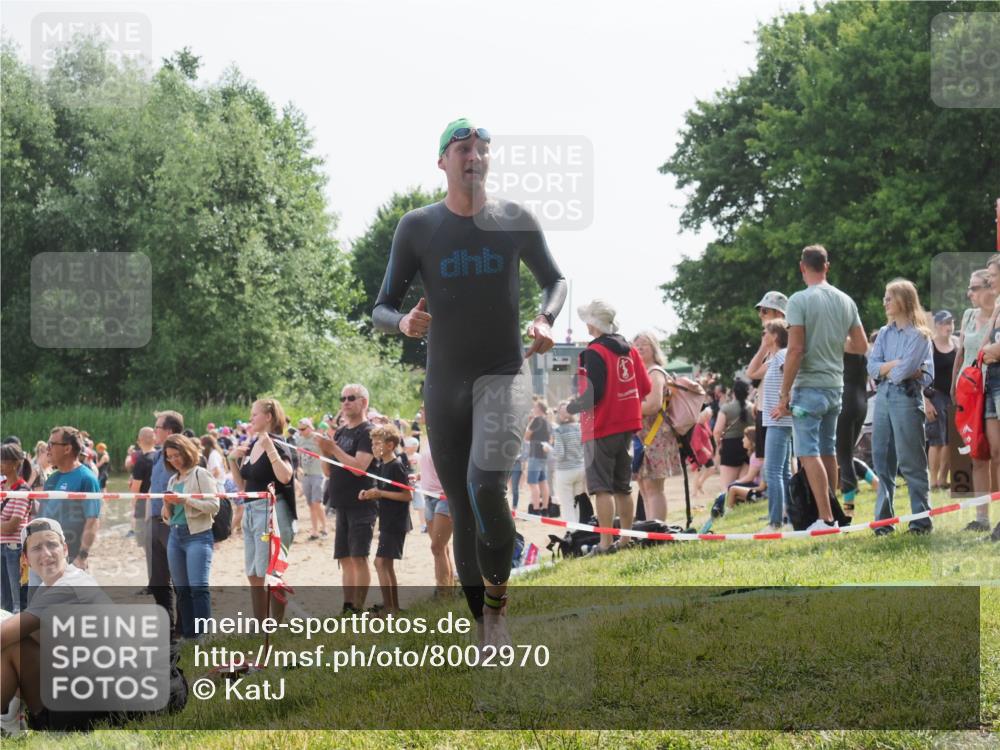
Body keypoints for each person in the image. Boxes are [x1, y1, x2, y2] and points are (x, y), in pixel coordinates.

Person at [372, 118, 566, 642]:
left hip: (504, 374)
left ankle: (499, 608)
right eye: (462, 148)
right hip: (445, 385)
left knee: (486, 487)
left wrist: (545, 320)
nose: (473, 155)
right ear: (443, 161)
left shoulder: (513, 219)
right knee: (460, 505)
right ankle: (482, 623)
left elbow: (555, 280)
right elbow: (382, 307)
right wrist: (404, 323)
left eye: (481, 148)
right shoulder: (417, 227)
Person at [772, 245, 868, 532]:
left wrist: (784, 393)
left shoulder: (799, 301)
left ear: (803, 267)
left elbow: (796, 349)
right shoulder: (846, 300)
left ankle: (825, 518)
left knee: (807, 452)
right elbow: (861, 346)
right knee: (829, 451)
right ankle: (834, 514)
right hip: (835, 386)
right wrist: (836, 345)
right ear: (827, 266)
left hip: (808, 387)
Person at [560, 299, 651, 554]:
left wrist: (570, 407)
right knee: (623, 486)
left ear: (594, 324)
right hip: (628, 425)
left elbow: (594, 393)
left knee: (601, 488)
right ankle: (626, 539)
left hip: (601, 426)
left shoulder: (594, 352)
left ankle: (605, 543)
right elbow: (645, 387)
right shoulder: (630, 350)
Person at [867, 279, 934, 535]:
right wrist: (895, 365)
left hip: (906, 399)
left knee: (911, 462)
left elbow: (901, 373)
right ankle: (883, 523)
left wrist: (890, 368)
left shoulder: (920, 335)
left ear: (904, 300)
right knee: (882, 461)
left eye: (888, 297)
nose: (884, 302)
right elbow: (872, 368)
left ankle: (921, 521)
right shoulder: (884, 333)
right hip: (883, 399)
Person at [228, 398, 295, 622]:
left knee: (271, 572)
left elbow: (286, 476)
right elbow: (243, 487)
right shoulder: (253, 443)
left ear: (268, 417)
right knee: (253, 573)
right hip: (250, 510)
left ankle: (275, 624)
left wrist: (270, 449)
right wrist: (232, 461)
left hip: (271, 512)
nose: (250, 418)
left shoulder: (276, 442)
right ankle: (259, 623)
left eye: (254, 414)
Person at [315, 385, 377, 613]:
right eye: (343, 398)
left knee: (359, 556)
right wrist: (325, 451)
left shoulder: (368, 431)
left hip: (362, 502)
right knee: (344, 558)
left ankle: (359, 607)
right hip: (340, 503)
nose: (345, 402)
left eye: (351, 398)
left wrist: (334, 449)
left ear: (364, 402)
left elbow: (360, 468)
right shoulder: (340, 433)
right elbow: (328, 471)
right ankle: (348, 607)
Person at [162, 435, 219, 639]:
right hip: (175, 535)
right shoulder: (172, 479)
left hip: (198, 535)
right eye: (169, 457)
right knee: (182, 590)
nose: (174, 460)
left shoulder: (200, 474)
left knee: (198, 587)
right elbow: (167, 517)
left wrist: (186, 500)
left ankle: (202, 636)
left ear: (186, 452)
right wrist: (167, 504)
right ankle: (188, 635)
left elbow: (214, 506)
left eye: (176, 455)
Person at [953, 268, 996, 532]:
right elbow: (960, 353)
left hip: (990, 389)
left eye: (975, 287)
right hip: (967, 391)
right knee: (976, 456)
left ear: (990, 288)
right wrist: (951, 388)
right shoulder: (968, 316)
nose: (970, 293)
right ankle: (981, 518)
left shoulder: (998, 315)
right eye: (969, 288)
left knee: (996, 452)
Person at [361, 424, 412, 616]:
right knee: (386, 564)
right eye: (372, 444)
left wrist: (380, 492)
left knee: (380, 563)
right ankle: (392, 606)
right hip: (388, 520)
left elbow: (407, 496)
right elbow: (385, 492)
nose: (373, 448)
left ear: (390, 445)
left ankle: (391, 608)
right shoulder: (382, 465)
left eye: (376, 444)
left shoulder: (396, 466)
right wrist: (370, 494)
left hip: (396, 521)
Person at [37, 426, 101, 573]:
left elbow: (93, 520)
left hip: (71, 558)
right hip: (46, 557)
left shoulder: (86, 478)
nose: (48, 449)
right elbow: (42, 517)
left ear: (67, 449)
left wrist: (82, 556)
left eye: (52, 444)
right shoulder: (52, 478)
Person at [633, 330, 680, 522]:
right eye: (636, 345)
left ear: (654, 348)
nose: (639, 348)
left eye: (644, 344)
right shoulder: (642, 373)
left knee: (654, 488)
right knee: (644, 486)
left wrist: (626, 407)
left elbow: (653, 405)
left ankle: (656, 530)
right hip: (644, 437)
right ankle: (649, 529)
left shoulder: (655, 372)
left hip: (656, 436)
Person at [147, 411, 183, 632]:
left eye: (157, 427)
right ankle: (166, 625)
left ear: (169, 431)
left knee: (180, 578)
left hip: (175, 522)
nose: (154, 431)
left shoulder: (184, 454)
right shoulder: (158, 455)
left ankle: (182, 626)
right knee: (158, 579)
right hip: (154, 520)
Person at [758, 319, 795, 531]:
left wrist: (785, 406)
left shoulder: (782, 355)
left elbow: (795, 379)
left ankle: (775, 522)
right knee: (782, 472)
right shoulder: (774, 358)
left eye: (766, 332)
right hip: (777, 421)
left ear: (775, 335)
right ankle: (789, 517)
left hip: (779, 421)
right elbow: (752, 373)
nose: (763, 335)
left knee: (772, 471)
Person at [747, 292, 788, 469]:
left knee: (777, 466)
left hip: (777, 411)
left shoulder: (783, 349)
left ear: (779, 314)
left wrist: (785, 404)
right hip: (766, 407)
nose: (760, 315)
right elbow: (756, 374)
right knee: (775, 465)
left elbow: (754, 372)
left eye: (764, 311)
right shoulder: (771, 347)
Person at [419, 427, 454, 595]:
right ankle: (448, 587)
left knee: (437, 547)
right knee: (441, 548)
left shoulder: (448, 437)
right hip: (429, 497)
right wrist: (420, 477)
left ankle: (443, 591)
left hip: (444, 497)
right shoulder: (427, 437)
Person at [926, 310, 958, 491]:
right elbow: (922, 376)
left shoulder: (956, 343)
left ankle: (943, 479)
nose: (949, 326)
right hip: (935, 395)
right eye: (946, 323)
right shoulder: (930, 346)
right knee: (937, 440)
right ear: (937, 325)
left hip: (953, 395)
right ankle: (933, 480)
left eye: (951, 323)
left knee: (950, 440)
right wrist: (927, 402)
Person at [1, 444, 31, 613]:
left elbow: (13, 525)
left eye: (2, 460)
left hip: (15, 549)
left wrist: (5, 526)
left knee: (18, 598)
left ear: (14, 463)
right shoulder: (2, 485)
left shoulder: (23, 490)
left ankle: (22, 634)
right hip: (1, 546)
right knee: (3, 599)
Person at [711, 426, 766, 515]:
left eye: (745, 437)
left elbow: (749, 478)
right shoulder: (754, 455)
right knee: (731, 488)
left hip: (760, 491)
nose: (742, 440)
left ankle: (726, 512)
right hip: (757, 487)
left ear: (752, 441)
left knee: (732, 488)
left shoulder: (755, 456)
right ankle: (725, 510)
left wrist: (736, 482)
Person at [128, 427, 157, 591]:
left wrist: (132, 511)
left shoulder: (141, 461)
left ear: (139, 441)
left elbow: (135, 490)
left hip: (142, 506)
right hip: (158, 506)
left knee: (148, 547)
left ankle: (153, 583)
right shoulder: (159, 456)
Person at [714, 379, 752, 492]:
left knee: (727, 485)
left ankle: (727, 507)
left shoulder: (726, 408)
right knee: (743, 483)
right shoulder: (752, 407)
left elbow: (717, 431)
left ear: (733, 392)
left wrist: (718, 444)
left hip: (730, 446)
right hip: (749, 445)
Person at [552, 400, 586, 524]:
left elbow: (559, 454)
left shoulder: (559, 431)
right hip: (580, 468)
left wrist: (549, 450)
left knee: (567, 504)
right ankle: (580, 529)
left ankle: (572, 531)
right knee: (577, 502)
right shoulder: (580, 427)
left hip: (565, 471)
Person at [294, 418, 328, 541]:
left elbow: (327, 452)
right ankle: (314, 530)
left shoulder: (317, 438)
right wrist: (299, 468)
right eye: (299, 429)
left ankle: (324, 528)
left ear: (310, 427)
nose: (300, 431)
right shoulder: (300, 440)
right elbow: (298, 455)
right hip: (306, 475)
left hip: (318, 474)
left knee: (317, 503)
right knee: (311, 505)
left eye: (303, 429)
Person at [525, 400, 552, 515]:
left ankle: (535, 509)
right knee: (543, 482)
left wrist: (529, 423)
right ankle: (545, 508)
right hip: (543, 455)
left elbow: (526, 436)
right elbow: (551, 439)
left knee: (533, 482)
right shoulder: (548, 422)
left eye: (535, 407)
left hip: (535, 454)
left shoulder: (536, 420)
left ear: (539, 409)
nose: (533, 409)